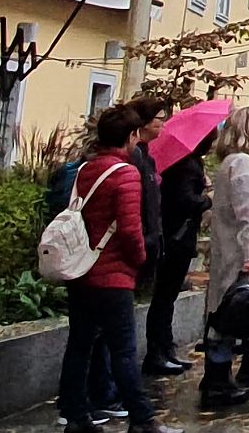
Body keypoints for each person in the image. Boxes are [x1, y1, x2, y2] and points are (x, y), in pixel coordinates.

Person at [56, 104, 174, 433]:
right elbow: (130, 229)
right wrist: (139, 259)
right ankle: (142, 417)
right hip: (114, 275)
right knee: (123, 350)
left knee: (80, 344)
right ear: (131, 136)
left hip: (82, 269)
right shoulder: (126, 174)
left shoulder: (87, 169)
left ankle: (76, 414)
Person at [200, 106, 249, 410]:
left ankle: (220, 376)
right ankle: (217, 381)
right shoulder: (242, 164)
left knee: (226, 313)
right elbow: (246, 213)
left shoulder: (231, 162)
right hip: (238, 254)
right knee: (231, 314)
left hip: (230, 250)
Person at [144, 120, 212, 377]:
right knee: (165, 297)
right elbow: (186, 201)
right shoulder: (186, 165)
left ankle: (165, 349)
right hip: (177, 238)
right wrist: (207, 199)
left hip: (177, 236)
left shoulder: (188, 163)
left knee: (167, 297)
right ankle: (158, 352)